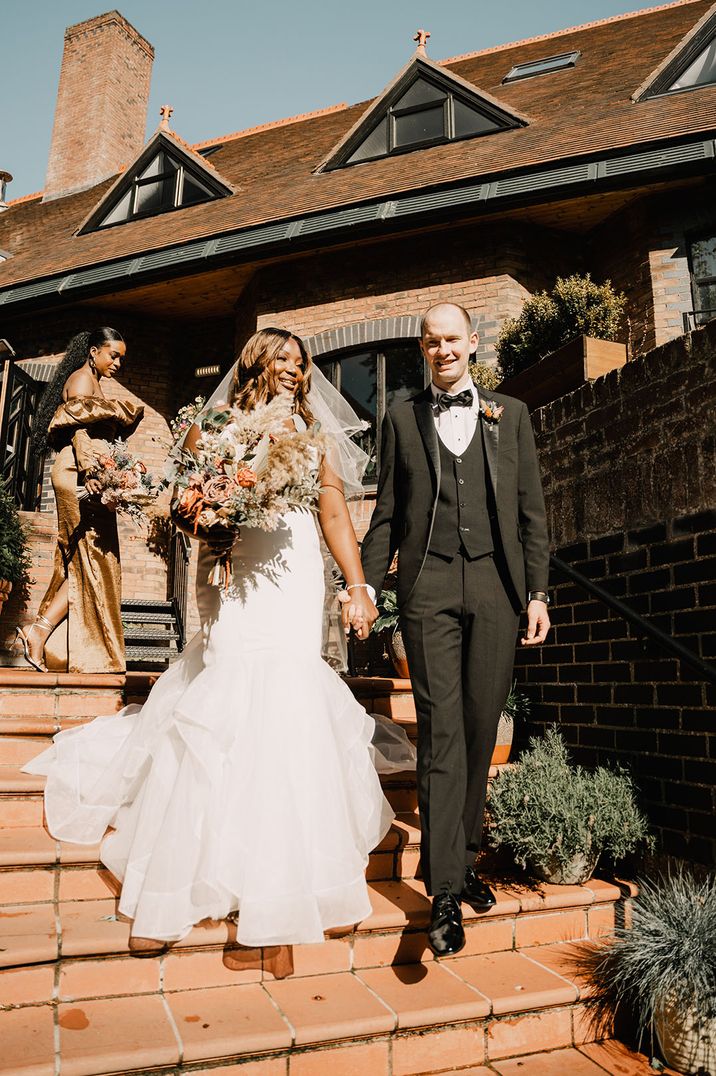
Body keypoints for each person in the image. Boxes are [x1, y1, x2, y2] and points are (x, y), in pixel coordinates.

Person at [24, 327, 407, 949]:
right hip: (240, 573)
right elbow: (180, 504)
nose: (295, 370)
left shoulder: (310, 433)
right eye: (283, 359)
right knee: (227, 687)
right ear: (257, 361)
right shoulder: (217, 426)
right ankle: (197, 869)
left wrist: (357, 584)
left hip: (295, 571)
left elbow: (333, 511)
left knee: (289, 697)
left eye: (302, 363)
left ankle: (297, 872)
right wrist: (214, 518)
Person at [361, 302, 551, 956]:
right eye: (431, 341)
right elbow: (385, 513)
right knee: (441, 727)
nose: (442, 350)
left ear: (472, 343)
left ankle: (464, 857)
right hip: (428, 587)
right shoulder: (400, 419)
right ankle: (444, 892)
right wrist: (362, 583)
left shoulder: (512, 416)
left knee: (478, 726)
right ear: (422, 348)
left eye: (452, 339)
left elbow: (532, 515)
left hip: (498, 589)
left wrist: (537, 593)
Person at [17, 328, 141, 673]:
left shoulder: (91, 380)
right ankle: (38, 632)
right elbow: (79, 431)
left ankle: (42, 636)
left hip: (85, 472)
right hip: (79, 474)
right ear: (93, 351)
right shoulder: (83, 381)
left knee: (89, 562)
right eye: (113, 354)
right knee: (93, 561)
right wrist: (95, 476)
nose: (118, 362)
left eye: (121, 357)